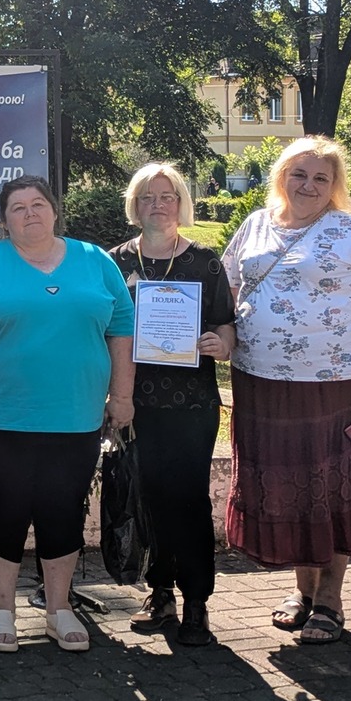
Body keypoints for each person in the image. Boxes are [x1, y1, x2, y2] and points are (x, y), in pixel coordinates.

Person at [0, 175, 135, 653]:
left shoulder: (95, 261)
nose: (30, 213)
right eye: (18, 207)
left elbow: (122, 332)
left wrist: (122, 397)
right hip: (0, 417)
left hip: (76, 415)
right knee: (5, 508)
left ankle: (59, 609)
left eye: (38, 204)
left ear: (54, 210)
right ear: (4, 221)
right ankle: (1, 606)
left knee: (62, 510)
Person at [220, 136, 351, 646]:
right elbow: (228, 295)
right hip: (260, 383)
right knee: (289, 488)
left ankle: (330, 600)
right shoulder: (255, 225)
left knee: (330, 488)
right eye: (299, 174)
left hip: (332, 386)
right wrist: (223, 336)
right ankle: (303, 591)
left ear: (335, 185)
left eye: (322, 177)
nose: (309, 185)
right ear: (281, 175)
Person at [109, 163, 235, 648]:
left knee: (188, 500)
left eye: (167, 196)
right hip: (134, 402)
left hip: (191, 404)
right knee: (148, 497)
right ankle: (160, 593)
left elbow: (225, 324)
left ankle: (197, 600)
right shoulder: (115, 262)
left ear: (181, 203)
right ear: (134, 205)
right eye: (147, 197)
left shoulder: (204, 261)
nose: (157, 204)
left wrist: (220, 344)